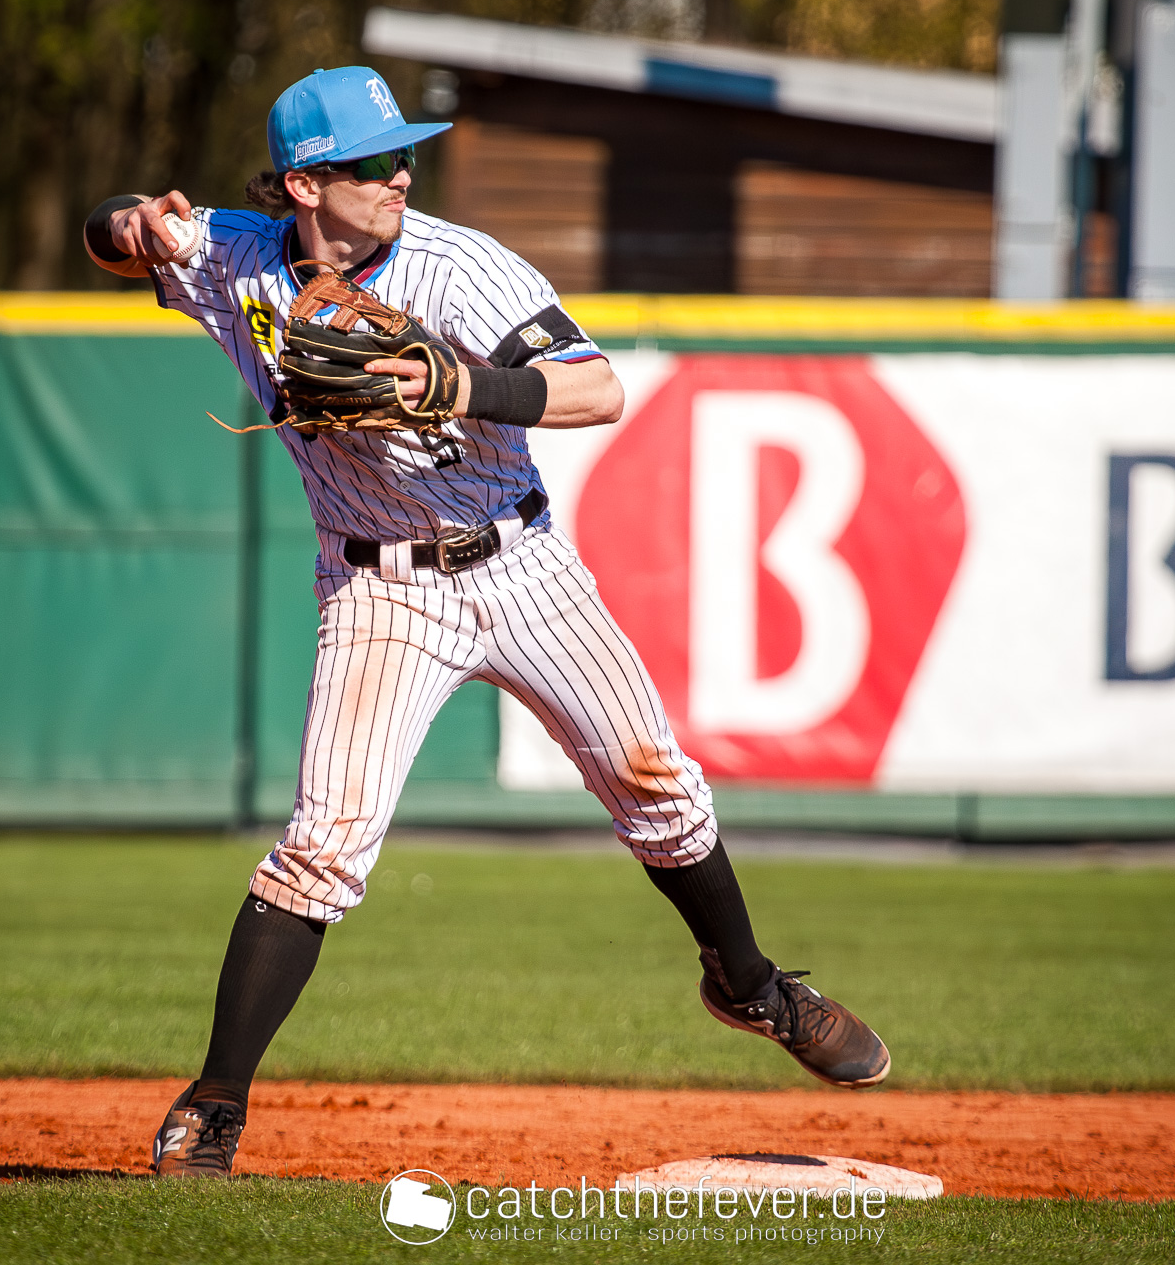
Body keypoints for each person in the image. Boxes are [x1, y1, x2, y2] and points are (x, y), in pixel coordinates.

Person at [83, 66, 889, 1179]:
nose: (401, 175)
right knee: (321, 845)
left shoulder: (459, 265)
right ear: (306, 185)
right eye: (374, 162)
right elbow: (117, 236)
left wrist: (460, 385)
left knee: (660, 787)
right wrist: (130, 224)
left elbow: (598, 389)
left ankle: (751, 986)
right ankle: (215, 1102)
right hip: (378, 590)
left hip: (521, 567)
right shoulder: (238, 256)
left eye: (405, 153)